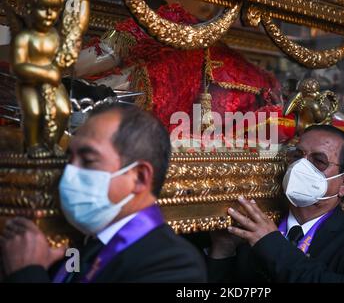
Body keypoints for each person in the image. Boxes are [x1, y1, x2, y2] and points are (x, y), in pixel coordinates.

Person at [0, 104, 207, 282]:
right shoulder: (83, 244)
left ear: (140, 177)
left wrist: (27, 273)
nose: (69, 174)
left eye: (88, 161)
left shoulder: (172, 264)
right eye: (68, 160)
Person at [207, 125, 344, 282]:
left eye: (319, 161)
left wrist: (273, 246)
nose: (300, 167)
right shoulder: (253, 225)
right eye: (297, 156)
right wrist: (223, 251)